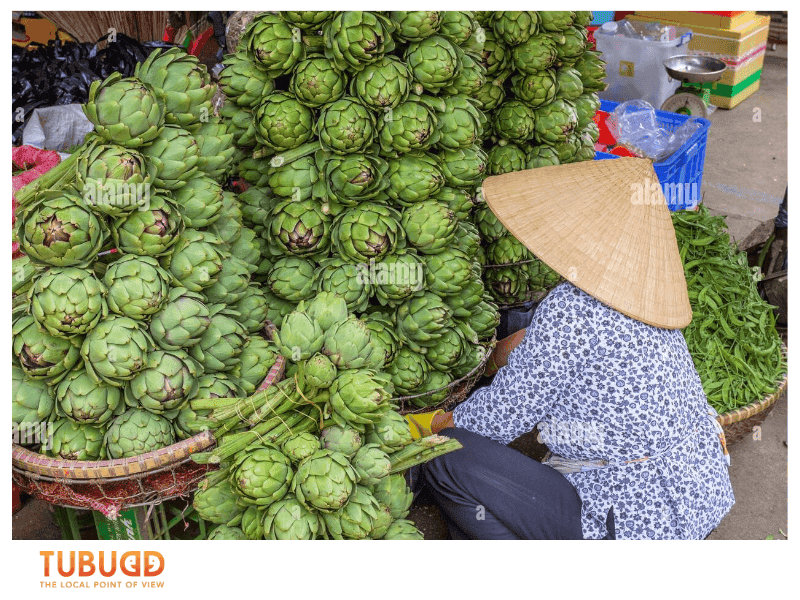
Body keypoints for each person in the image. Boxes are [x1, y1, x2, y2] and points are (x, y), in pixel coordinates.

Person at [406, 158, 735, 540]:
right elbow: (558, 347)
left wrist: (433, 423)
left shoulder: (571, 307)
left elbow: (499, 419)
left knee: (450, 456)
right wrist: (497, 357)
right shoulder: (646, 295)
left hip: (635, 517)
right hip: (696, 494)